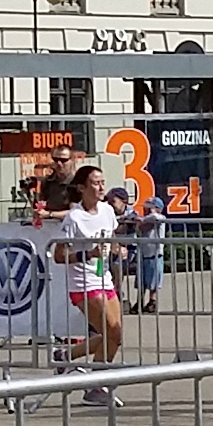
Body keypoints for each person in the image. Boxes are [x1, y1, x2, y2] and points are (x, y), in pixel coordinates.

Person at [52, 164, 123, 405]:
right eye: (95, 183)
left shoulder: (107, 211)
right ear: (82, 188)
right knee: (111, 330)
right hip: (83, 282)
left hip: (104, 277)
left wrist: (117, 249)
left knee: (115, 335)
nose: (101, 187)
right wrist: (88, 254)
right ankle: (95, 386)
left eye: (103, 182)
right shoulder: (74, 217)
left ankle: (65, 355)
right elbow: (59, 255)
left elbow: (111, 239)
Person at [126, 191, 166, 315]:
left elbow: (156, 217)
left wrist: (144, 217)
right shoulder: (143, 222)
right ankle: (140, 301)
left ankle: (152, 301)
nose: (146, 210)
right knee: (141, 280)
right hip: (143, 254)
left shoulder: (159, 219)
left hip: (155, 254)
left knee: (153, 280)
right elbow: (130, 218)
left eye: (149, 208)